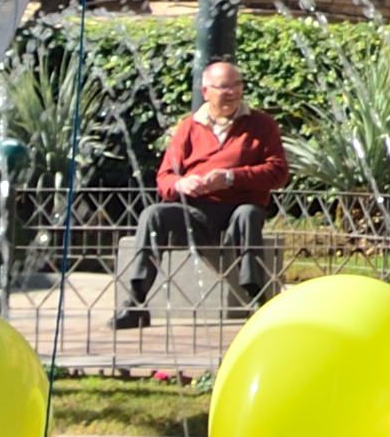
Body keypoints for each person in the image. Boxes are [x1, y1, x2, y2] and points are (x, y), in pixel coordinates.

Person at [122, 56, 288, 316]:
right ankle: (135, 301)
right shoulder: (189, 126)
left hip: (239, 207)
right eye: (224, 87)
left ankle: (257, 296)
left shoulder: (262, 125)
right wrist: (182, 184)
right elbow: (164, 178)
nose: (232, 92)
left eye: (238, 85)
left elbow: (278, 172)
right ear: (206, 92)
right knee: (152, 215)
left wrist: (231, 177)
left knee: (248, 215)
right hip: (195, 211)